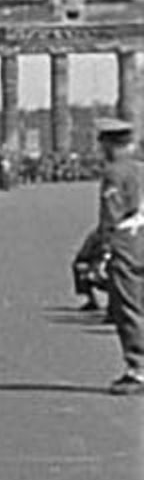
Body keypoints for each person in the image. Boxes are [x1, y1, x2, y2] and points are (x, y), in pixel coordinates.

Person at [94, 118, 144, 395]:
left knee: (129, 307)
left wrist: (103, 251)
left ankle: (137, 369)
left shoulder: (114, 173)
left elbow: (110, 216)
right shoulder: (141, 168)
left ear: (110, 144)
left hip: (126, 244)